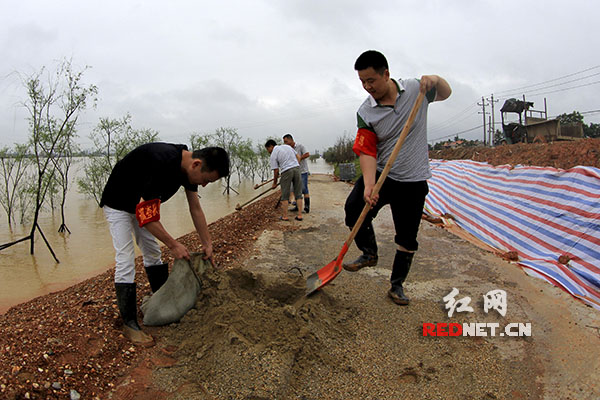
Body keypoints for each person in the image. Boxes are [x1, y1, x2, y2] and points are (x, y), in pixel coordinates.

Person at [343, 50, 451, 305]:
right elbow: (367, 149)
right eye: (362, 82)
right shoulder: (366, 111)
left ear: (386, 74)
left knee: (406, 237)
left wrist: (435, 79)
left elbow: (446, 93)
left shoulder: (416, 91)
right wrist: (369, 184)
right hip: (382, 174)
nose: (367, 87)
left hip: (413, 180)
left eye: (371, 80)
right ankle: (369, 253)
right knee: (354, 208)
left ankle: (396, 286)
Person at [100, 143, 229, 344]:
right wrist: (174, 245)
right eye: (206, 180)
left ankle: (160, 300)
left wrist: (207, 243)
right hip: (118, 204)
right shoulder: (161, 161)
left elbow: (195, 208)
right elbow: (147, 216)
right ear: (196, 164)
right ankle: (129, 324)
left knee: (152, 252)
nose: (204, 185)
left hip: (140, 206)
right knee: (125, 259)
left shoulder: (187, 169)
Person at [264, 139, 303, 221]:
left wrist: (274, 183)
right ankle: (300, 215)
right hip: (296, 168)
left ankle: (285, 216)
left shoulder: (273, 154)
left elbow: (276, 171)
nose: (268, 152)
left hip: (286, 171)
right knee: (298, 193)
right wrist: (295, 166)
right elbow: (298, 157)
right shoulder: (287, 147)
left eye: (268, 149)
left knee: (285, 195)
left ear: (271, 146)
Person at [282, 133, 311, 213]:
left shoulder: (300, 146)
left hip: (302, 171)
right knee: (295, 189)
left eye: (286, 141)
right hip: (293, 171)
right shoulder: (287, 149)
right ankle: (297, 207)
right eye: (284, 142)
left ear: (291, 139)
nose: (285, 143)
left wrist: (298, 159)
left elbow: (307, 154)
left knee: (304, 189)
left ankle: (307, 206)